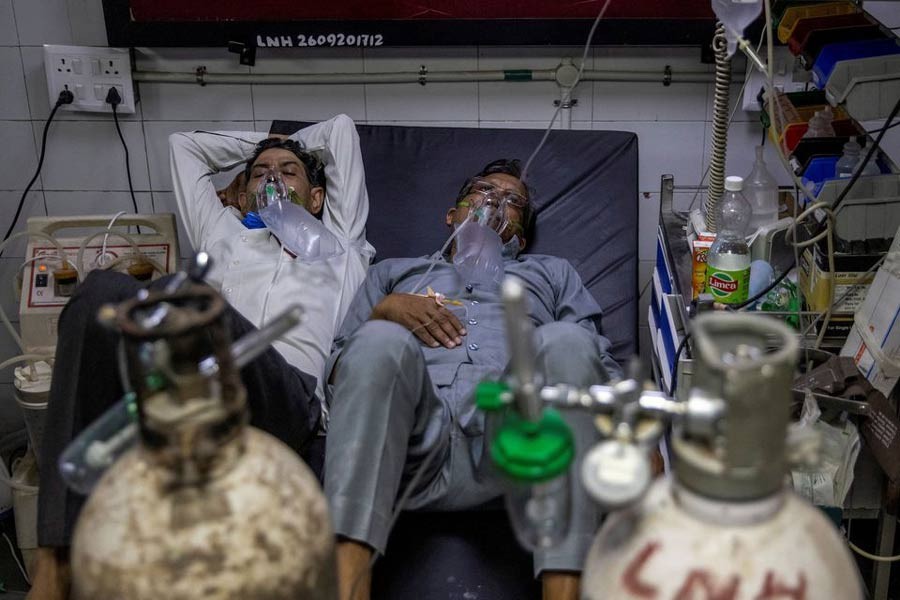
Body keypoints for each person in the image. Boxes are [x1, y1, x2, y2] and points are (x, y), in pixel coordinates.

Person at [28, 114, 373, 600]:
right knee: (100, 293)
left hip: (286, 403)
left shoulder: (343, 243)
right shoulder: (223, 234)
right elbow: (182, 146)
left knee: (188, 297)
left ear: (318, 198)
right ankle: (56, 564)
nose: (273, 176)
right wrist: (267, 157)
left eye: (289, 172)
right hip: (190, 388)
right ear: (242, 192)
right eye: (261, 173)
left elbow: (338, 131)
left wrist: (282, 144)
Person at [324, 159, 622, 600]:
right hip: (406, 446)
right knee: (377, 339)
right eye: (483, 191)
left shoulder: (552, 273)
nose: (495, 201)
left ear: (520, 233)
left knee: (567, 338)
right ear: (451, 215)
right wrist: (384, 312)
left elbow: (594, 359)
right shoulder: (394, 273)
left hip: (515, 445)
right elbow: (339, 369)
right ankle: (348, 588)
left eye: (512, 201)